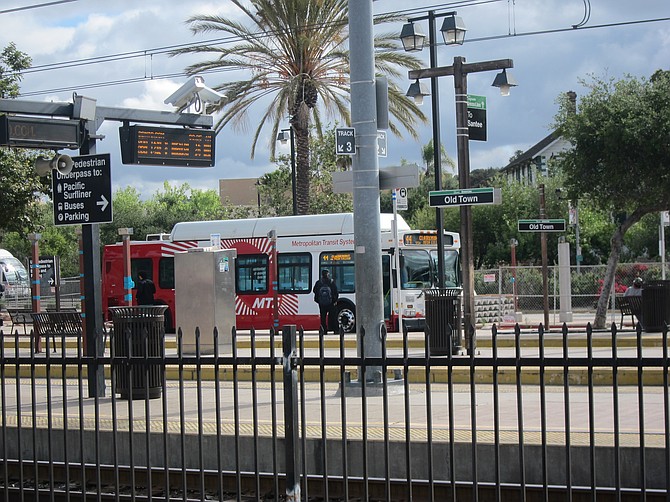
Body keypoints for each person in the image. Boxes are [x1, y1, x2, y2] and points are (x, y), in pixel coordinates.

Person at [313, 269, 338, 334]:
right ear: (327, 274)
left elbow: (314, 290)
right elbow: (335, 292)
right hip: (331, 303)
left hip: (321, 303)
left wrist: (319, 299)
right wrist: (335, 300)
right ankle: (335, 329)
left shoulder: (318, 282)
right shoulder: (331, 282)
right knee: (333, 316)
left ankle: (324, 330)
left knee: (323, 317)